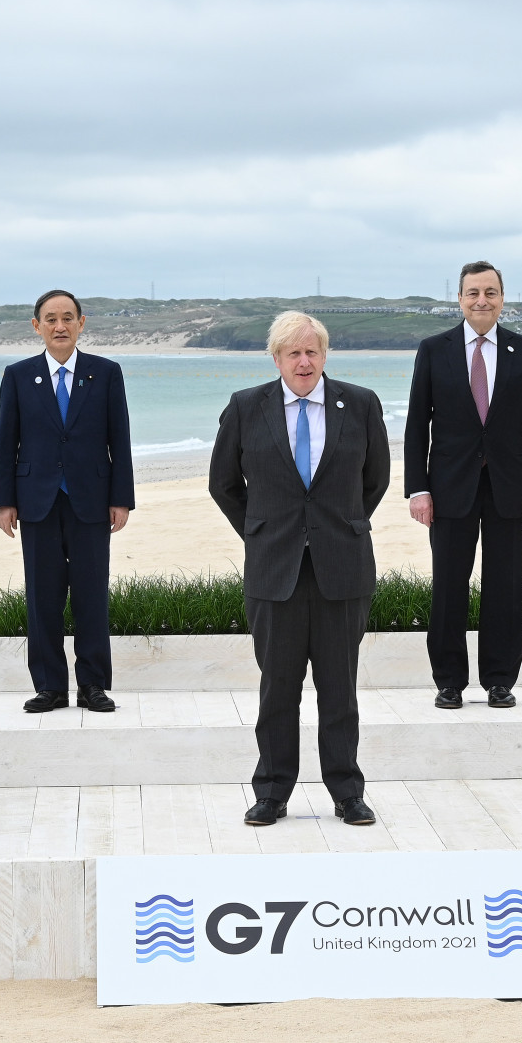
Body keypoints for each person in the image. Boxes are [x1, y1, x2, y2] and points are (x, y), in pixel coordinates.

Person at [209, 311, 391, 828]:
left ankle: (347, 792)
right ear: (277, 359)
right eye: (293, 353)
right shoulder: (247, 407)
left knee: (340, 689)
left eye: (312, 352)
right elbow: (223, 484)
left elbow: (374, 478)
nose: (304, 361)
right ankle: (271, 792)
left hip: (343, 568)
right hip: (274, 571)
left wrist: (341, 524)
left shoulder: (359, 403)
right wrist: (261, 531)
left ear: (325, 355)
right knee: (278, 689)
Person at [404, 261, 522, 710]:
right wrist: (418, 488)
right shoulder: (434, 350)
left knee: (505, 587)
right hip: (449, 488)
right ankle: (449, 681)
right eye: (473, 293)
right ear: (460, 299)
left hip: (510, 486)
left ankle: (499, 680)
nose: (481, 300)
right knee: (449, 585)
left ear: (503, 299)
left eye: (490, 292)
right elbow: (417, 426)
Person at [0, 290, 135, 713]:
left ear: (81, 324)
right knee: (42, 597)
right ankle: (49, 686)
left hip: (91, 500)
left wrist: (121, 498)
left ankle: (92, 684)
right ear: (36, 326)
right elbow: (6, 442)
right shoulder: (17, 375)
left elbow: (119, 439)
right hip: (36, 500)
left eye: (68, 318)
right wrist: (5, 501)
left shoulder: (106, 373)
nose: (60, 326)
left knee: (92, 595)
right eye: (50, 319)